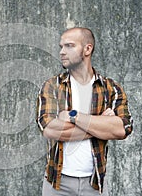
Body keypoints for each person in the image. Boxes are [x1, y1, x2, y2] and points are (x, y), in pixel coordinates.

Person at [36, 27, 133, 195]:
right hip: (57, 184)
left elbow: (122, 129)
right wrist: (101, 124)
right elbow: (49, 129)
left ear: (87, 49)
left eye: (69, 46)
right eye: (61, 46)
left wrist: (74, 116)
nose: (62, 52)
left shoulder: (110, 88)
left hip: (94, 183)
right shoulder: (52, 86)